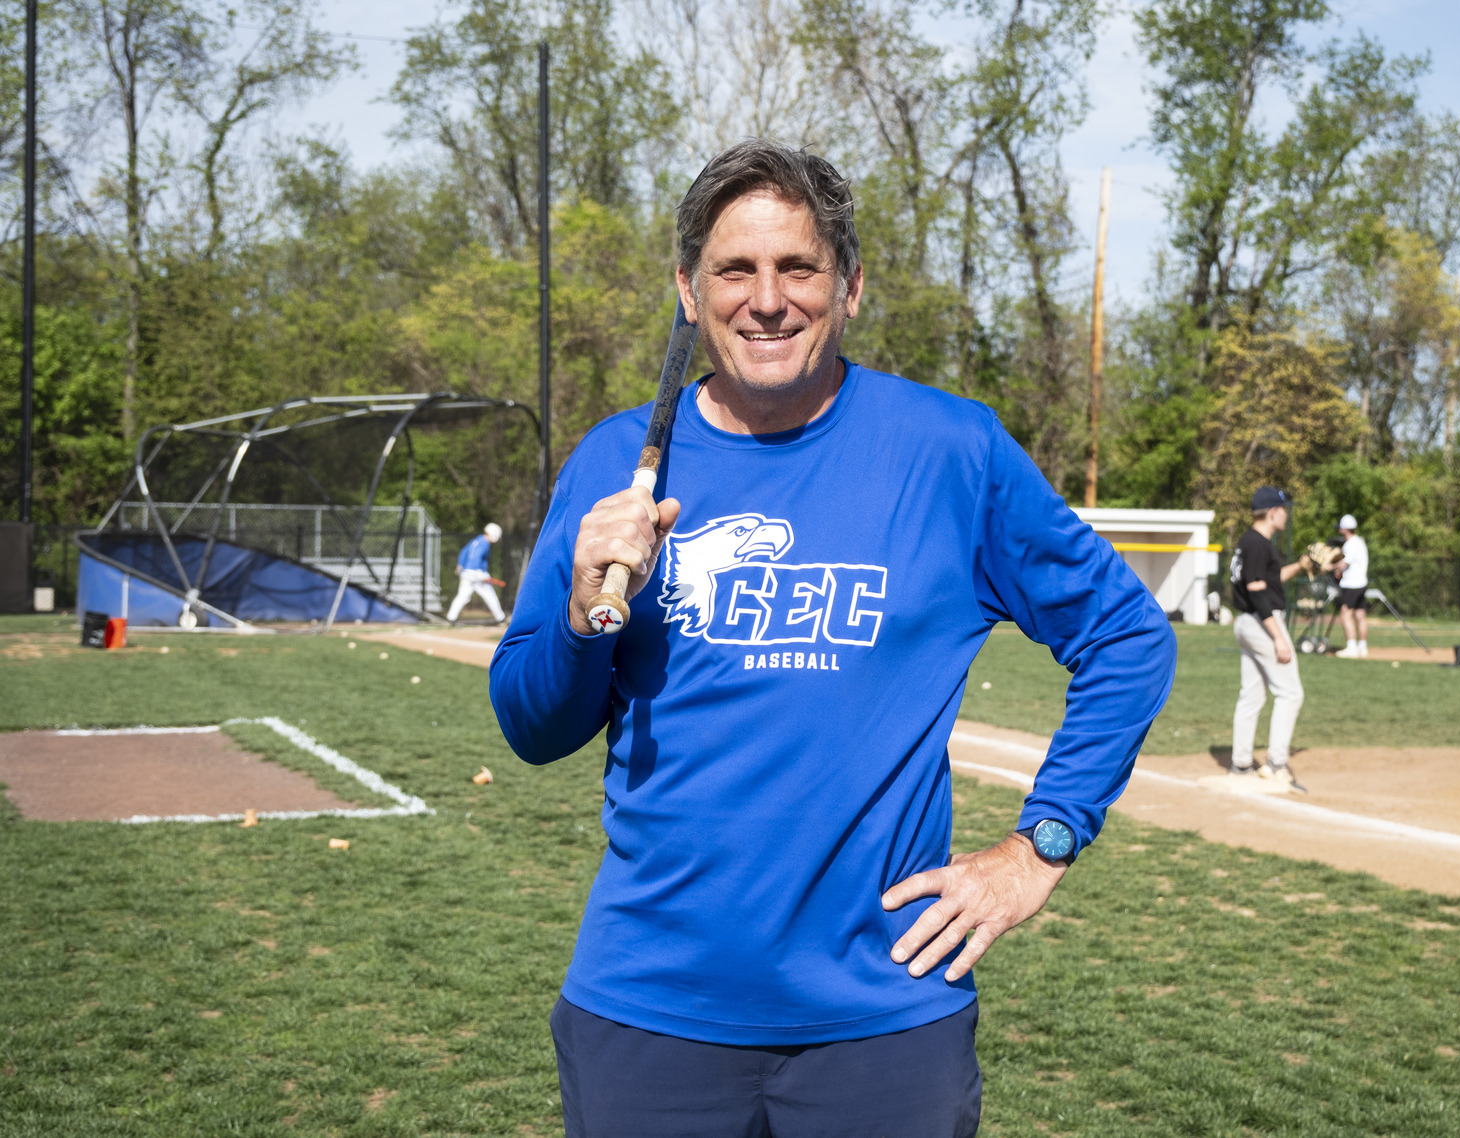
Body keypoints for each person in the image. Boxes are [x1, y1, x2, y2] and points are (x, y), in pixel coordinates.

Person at [489, 140, 1176, 1138]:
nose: (767, 300)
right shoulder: (614, 462)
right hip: (647, 1010)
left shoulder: (952, 450)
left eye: (798, 268)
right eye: (735, 269)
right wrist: (586, 611)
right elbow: (532, 728)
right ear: (688, 291)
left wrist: (1042, 845)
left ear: (849, 287)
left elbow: (1125, 634)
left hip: (885, 1020)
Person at [1227, 486, 1309, 785]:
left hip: (1247, 622)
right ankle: (1276, 764)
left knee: (1251, 695)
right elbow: (1257, 591)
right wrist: (1278, 637)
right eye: (1284, 509)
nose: (1286, 514)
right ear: (1272, 512)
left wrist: (1300, 565)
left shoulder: (1249, 542)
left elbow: (1268, 581)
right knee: (1290, 693)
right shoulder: (1258, 544)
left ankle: (1241, 763)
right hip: (1262, 622)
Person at [446, 522, 505, 623]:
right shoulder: (484, 543)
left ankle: (451, 617)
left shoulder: (475, 540)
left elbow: (464, 552)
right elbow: (476, 556)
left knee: (463, 595)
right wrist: (478, 571)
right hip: (476, 573)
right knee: (490, 595)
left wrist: (460, 565)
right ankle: (500, 617)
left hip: (466, 572)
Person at [1334, 514, 1370, 658]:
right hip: (1361, 583)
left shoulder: (1350, 544)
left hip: (1351, 584)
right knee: (1360, 615)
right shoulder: (1360, 542)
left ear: (1345, 529)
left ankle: (1351, 647)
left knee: (1345, 614)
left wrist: (1329, 566)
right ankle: (1362, 647)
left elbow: (1344, 563)